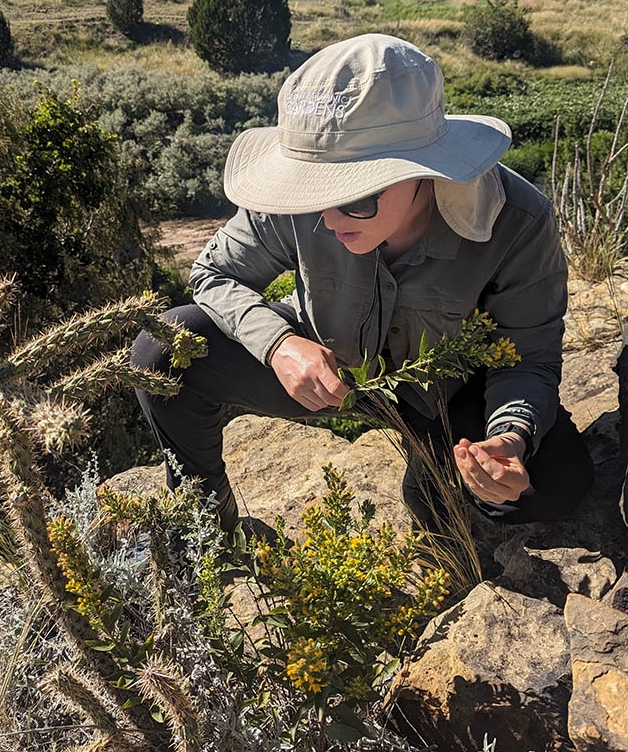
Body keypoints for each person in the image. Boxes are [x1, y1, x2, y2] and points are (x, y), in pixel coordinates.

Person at [132, 33, 594, 533]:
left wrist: (508, 439)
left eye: (355, 198)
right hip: (328, 363)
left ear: (425, 172)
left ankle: (432, 466)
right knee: (165, 349)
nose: (328, 219)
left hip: (448, 389)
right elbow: (213, 273)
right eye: (313, 194)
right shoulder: (300, 201)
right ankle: (207, 529)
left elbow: (528, 356)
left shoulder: (516, 222)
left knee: (547, 490)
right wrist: (281, 345)